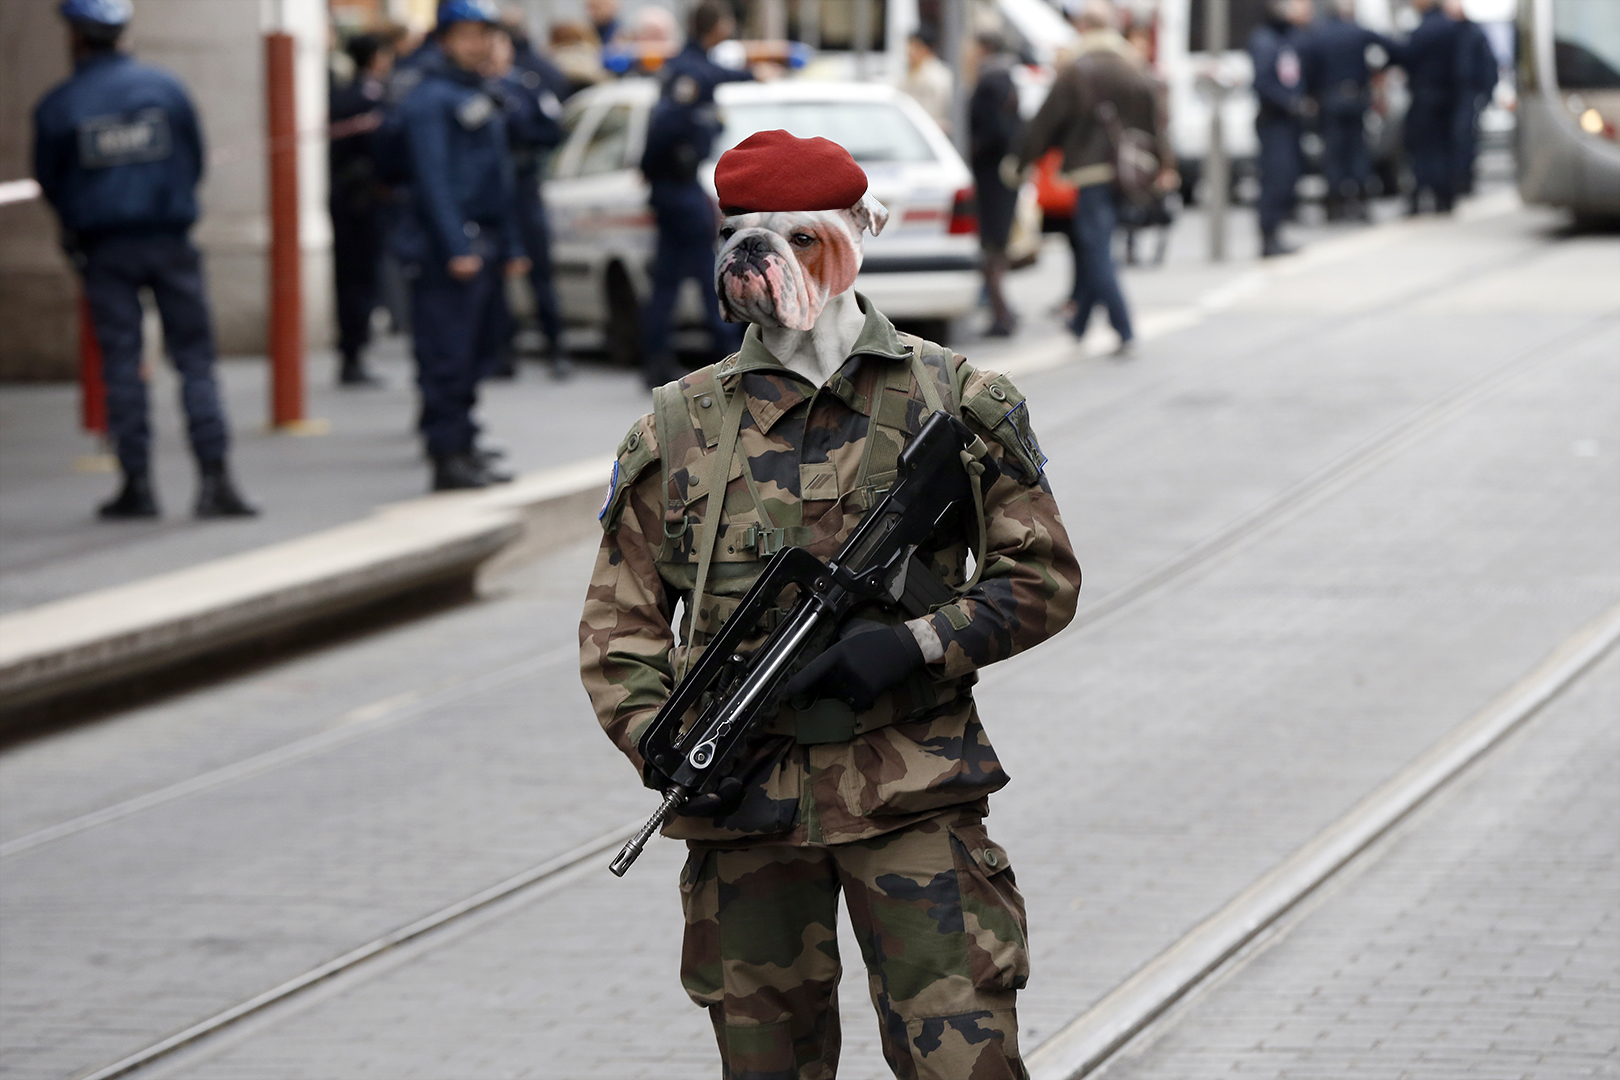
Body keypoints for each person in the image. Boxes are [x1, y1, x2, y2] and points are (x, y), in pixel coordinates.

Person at [580, 128, 1080, 1080]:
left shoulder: (957, 398)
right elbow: (620, 624)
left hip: (913, 796)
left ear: (861, 232)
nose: (764, 266)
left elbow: (1042, 575)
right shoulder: (678, 424)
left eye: (799, 240)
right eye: (742, 241)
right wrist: (658, 737)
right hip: (744, 811)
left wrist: (916, 645)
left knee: (965, 1064)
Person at [33, 0, 256, 521]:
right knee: (196, 360)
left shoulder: (61, 103)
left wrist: (77, 225)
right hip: (171, 240)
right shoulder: (165, 88)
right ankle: (215, 479)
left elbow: (52, 180)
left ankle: (137, 485)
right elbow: (194, 160)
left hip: (106, 248)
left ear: (75, 37)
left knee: (122, 366)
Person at [394, 0, 528, 490]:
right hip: (448, 248)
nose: (480, 44)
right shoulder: (429, 98)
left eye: (486, 35)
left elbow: (498, 175)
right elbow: (433, 181)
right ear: (445, 38)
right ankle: (446, 453)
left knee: (474, 352)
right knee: (446, 353)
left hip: (484, 237)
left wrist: (511, 243)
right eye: (468, 34)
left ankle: (464, 441)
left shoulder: (478, 91)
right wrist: (455, 245)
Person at [1014, 0, 1174, 354]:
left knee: (1096, 248)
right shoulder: (1132, 67)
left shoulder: (1077, 69)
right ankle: (1080, 323)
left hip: (1089, 171)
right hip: (1128, 173)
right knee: (1095, 244)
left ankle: (1124, 326)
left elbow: (1045, 122)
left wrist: (1021, 161)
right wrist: (1165, 164)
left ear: (1084, 28)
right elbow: (1156, 120)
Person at [636, 0, 751, 390]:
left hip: (677, 187)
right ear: (715, 26)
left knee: (669, 277)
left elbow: (723, 74)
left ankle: (655, 358)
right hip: (678, 188)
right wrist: (650, 168)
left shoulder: (697, 65)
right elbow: (664, 127)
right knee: (708, 273)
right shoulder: (690, 71)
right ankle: (728, 356)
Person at [496, 7, 572, 379]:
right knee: (492, 277)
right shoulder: (475, 88)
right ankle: (499, 352)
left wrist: (521, 130)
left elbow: (552, 129)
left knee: (539, 271)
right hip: (491, 191)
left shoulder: (526, 83)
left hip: (523, 185)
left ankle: (555, 347)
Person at [329, 31, 395, 387]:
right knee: (360, 280)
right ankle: (354, 352)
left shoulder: (346, 93)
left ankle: (353, 351)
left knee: (355, 279)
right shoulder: (367, 97)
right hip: (361, 200)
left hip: (352, 197)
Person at [1301, 0, 1391, 221]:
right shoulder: (1357, 31)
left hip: (1330, 100)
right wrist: (1379, 72)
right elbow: (1393, 47)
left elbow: (1308, 69)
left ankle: (1334, 205)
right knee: (1358, 151)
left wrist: (1312, 94)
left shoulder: (1318, 35)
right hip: (1356, 98)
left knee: (1334, 154)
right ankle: (1361, 202)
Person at [1248, 0, 1314, 256]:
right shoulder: (1265, 39)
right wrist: (1290, 103)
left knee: (1287, 176)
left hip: (1288, 121)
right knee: (1275, 177)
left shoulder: (1288, 37)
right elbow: (1263, 83)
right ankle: (1269, 237)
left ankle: (1276, 233)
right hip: (1274, 120)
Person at [969, 32, 1023, 337]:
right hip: (1004, 175)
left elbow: (994, 131)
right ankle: (1002, 311)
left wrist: (973, 146)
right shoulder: (1006, 77)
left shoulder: (990, 81)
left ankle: (1002, 314)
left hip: (991, 176)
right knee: (997, 247)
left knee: (992, 246)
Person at [1399, 0, 1462, 214]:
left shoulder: (1425, 28)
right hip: (1448, 96)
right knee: (1444, 148)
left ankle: (1421, 197)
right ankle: (1444, 197)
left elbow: (1407, 55)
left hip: (1426, 96)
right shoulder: (1450, 26)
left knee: (1423, 149)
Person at [1447, 0, 1497, 198]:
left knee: (1464, 137)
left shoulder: (1473, 33)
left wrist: (1487, 94)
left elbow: (1489, 65)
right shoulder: (1450, 32)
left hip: (1468, 91)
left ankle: (1464, 179)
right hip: (1453, 92)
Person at [901, 25, 954, 135]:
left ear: (926, 49)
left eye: (915, 46)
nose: (909, 51)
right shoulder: (910, 73)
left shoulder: (938, 77)